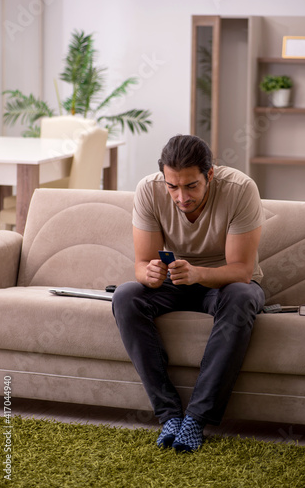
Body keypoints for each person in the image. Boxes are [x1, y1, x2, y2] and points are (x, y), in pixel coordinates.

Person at [112, 134, 265, 453]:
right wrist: (150, 274)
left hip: (227, 284)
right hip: (175, 281)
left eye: (191, 186)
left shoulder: (240, 189)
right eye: (172, 186)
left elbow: (242, 271)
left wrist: (199, 274)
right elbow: (142, 264)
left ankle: (196, 418)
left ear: (210, 174)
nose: (181, 197)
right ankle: (169, 415)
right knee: (126, 296)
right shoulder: (148, 190)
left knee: (242, 297)